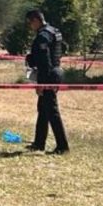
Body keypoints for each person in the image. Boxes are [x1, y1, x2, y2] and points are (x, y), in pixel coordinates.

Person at [24, 9, 70, 154]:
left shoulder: (43, 36)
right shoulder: (54, 31)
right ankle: (39, 143)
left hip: (48, 75)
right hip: (55, 72)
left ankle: (62, 146)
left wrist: (41, 83)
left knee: (52, 111)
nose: (30, 26)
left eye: (30, 23)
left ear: (36, 20)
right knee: (43, 110)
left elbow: (45, 62)